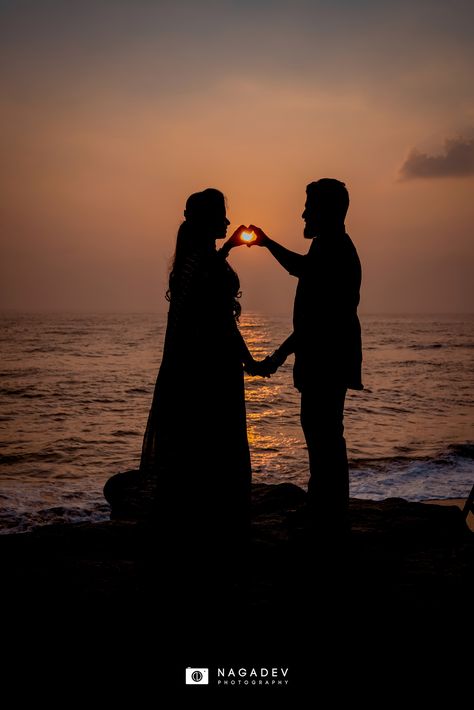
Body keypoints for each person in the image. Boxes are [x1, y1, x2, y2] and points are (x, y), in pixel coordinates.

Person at [105, 188, 259, 547]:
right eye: (221, 215)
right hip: (212, 368)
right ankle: (214, 526)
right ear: (208, 221)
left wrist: (227, 249)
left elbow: (208, 295)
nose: (226, 221)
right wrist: (249, 360)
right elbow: (221, 320)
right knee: (216, 440)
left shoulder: (192, 261)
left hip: (193, 366)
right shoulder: (203, 264)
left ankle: (191, 523)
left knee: (195, 443)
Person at [248, 178, 363, 542]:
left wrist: (266, 243)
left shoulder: (334, 249)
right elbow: (313, 317)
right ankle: (325, 509)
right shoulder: (328, 247)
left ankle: (328, 514)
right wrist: (281, 355)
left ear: (326, 212)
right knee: (322, 433)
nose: (303, 213)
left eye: (309, 207)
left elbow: (314, 311)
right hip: (325, 356)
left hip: (327, 359)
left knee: (324, 434)